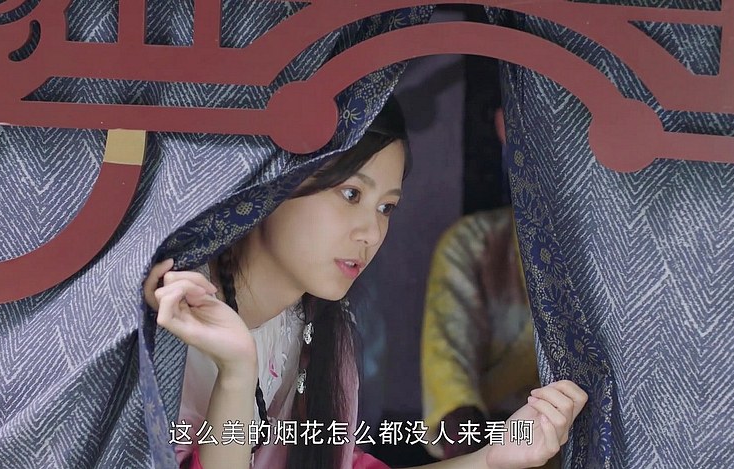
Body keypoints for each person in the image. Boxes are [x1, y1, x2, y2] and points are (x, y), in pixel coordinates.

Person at [143, 97, 587, 469]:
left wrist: (492, 458)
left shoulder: (319, 326)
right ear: (276, 181)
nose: (371, 234)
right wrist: (237, 375)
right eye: (351, 194)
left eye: (386, 208)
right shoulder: (177, 310)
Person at [421, 208, 549, 465]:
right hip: (493, 440)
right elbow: (449, 374)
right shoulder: (474, 242)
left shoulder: (625, 262)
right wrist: (477, 459)